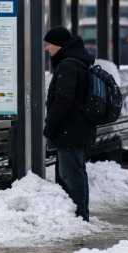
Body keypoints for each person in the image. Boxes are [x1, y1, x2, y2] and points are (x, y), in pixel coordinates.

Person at [43, 25, 96, 222]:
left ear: (59, 44)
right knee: (74, 173)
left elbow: (63, 100)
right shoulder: (77, 61)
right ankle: (77, 214)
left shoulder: (68, 65)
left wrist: (50, 125)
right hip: (77, 128)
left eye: (49, 44)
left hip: (70, 130)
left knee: (70, 175)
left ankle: (79, 216)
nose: (47, 48)